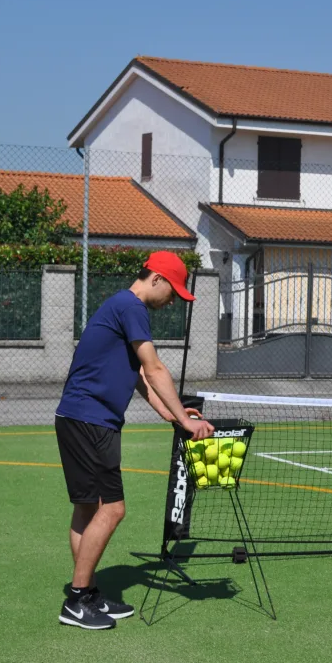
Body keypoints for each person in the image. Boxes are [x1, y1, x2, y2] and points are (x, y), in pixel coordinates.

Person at [55, 251, 214, 629]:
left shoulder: (120, 306)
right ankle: (77, 601)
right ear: (156, 278)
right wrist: (184, 420)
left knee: (89, 509)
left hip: (80, 418)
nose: (173, 300)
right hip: (90, 421)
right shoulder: (132, 306)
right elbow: (154, 367)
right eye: (173, 291)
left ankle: (87, 593)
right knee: (112, 510)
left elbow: (139, 377)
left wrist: (168, 413)